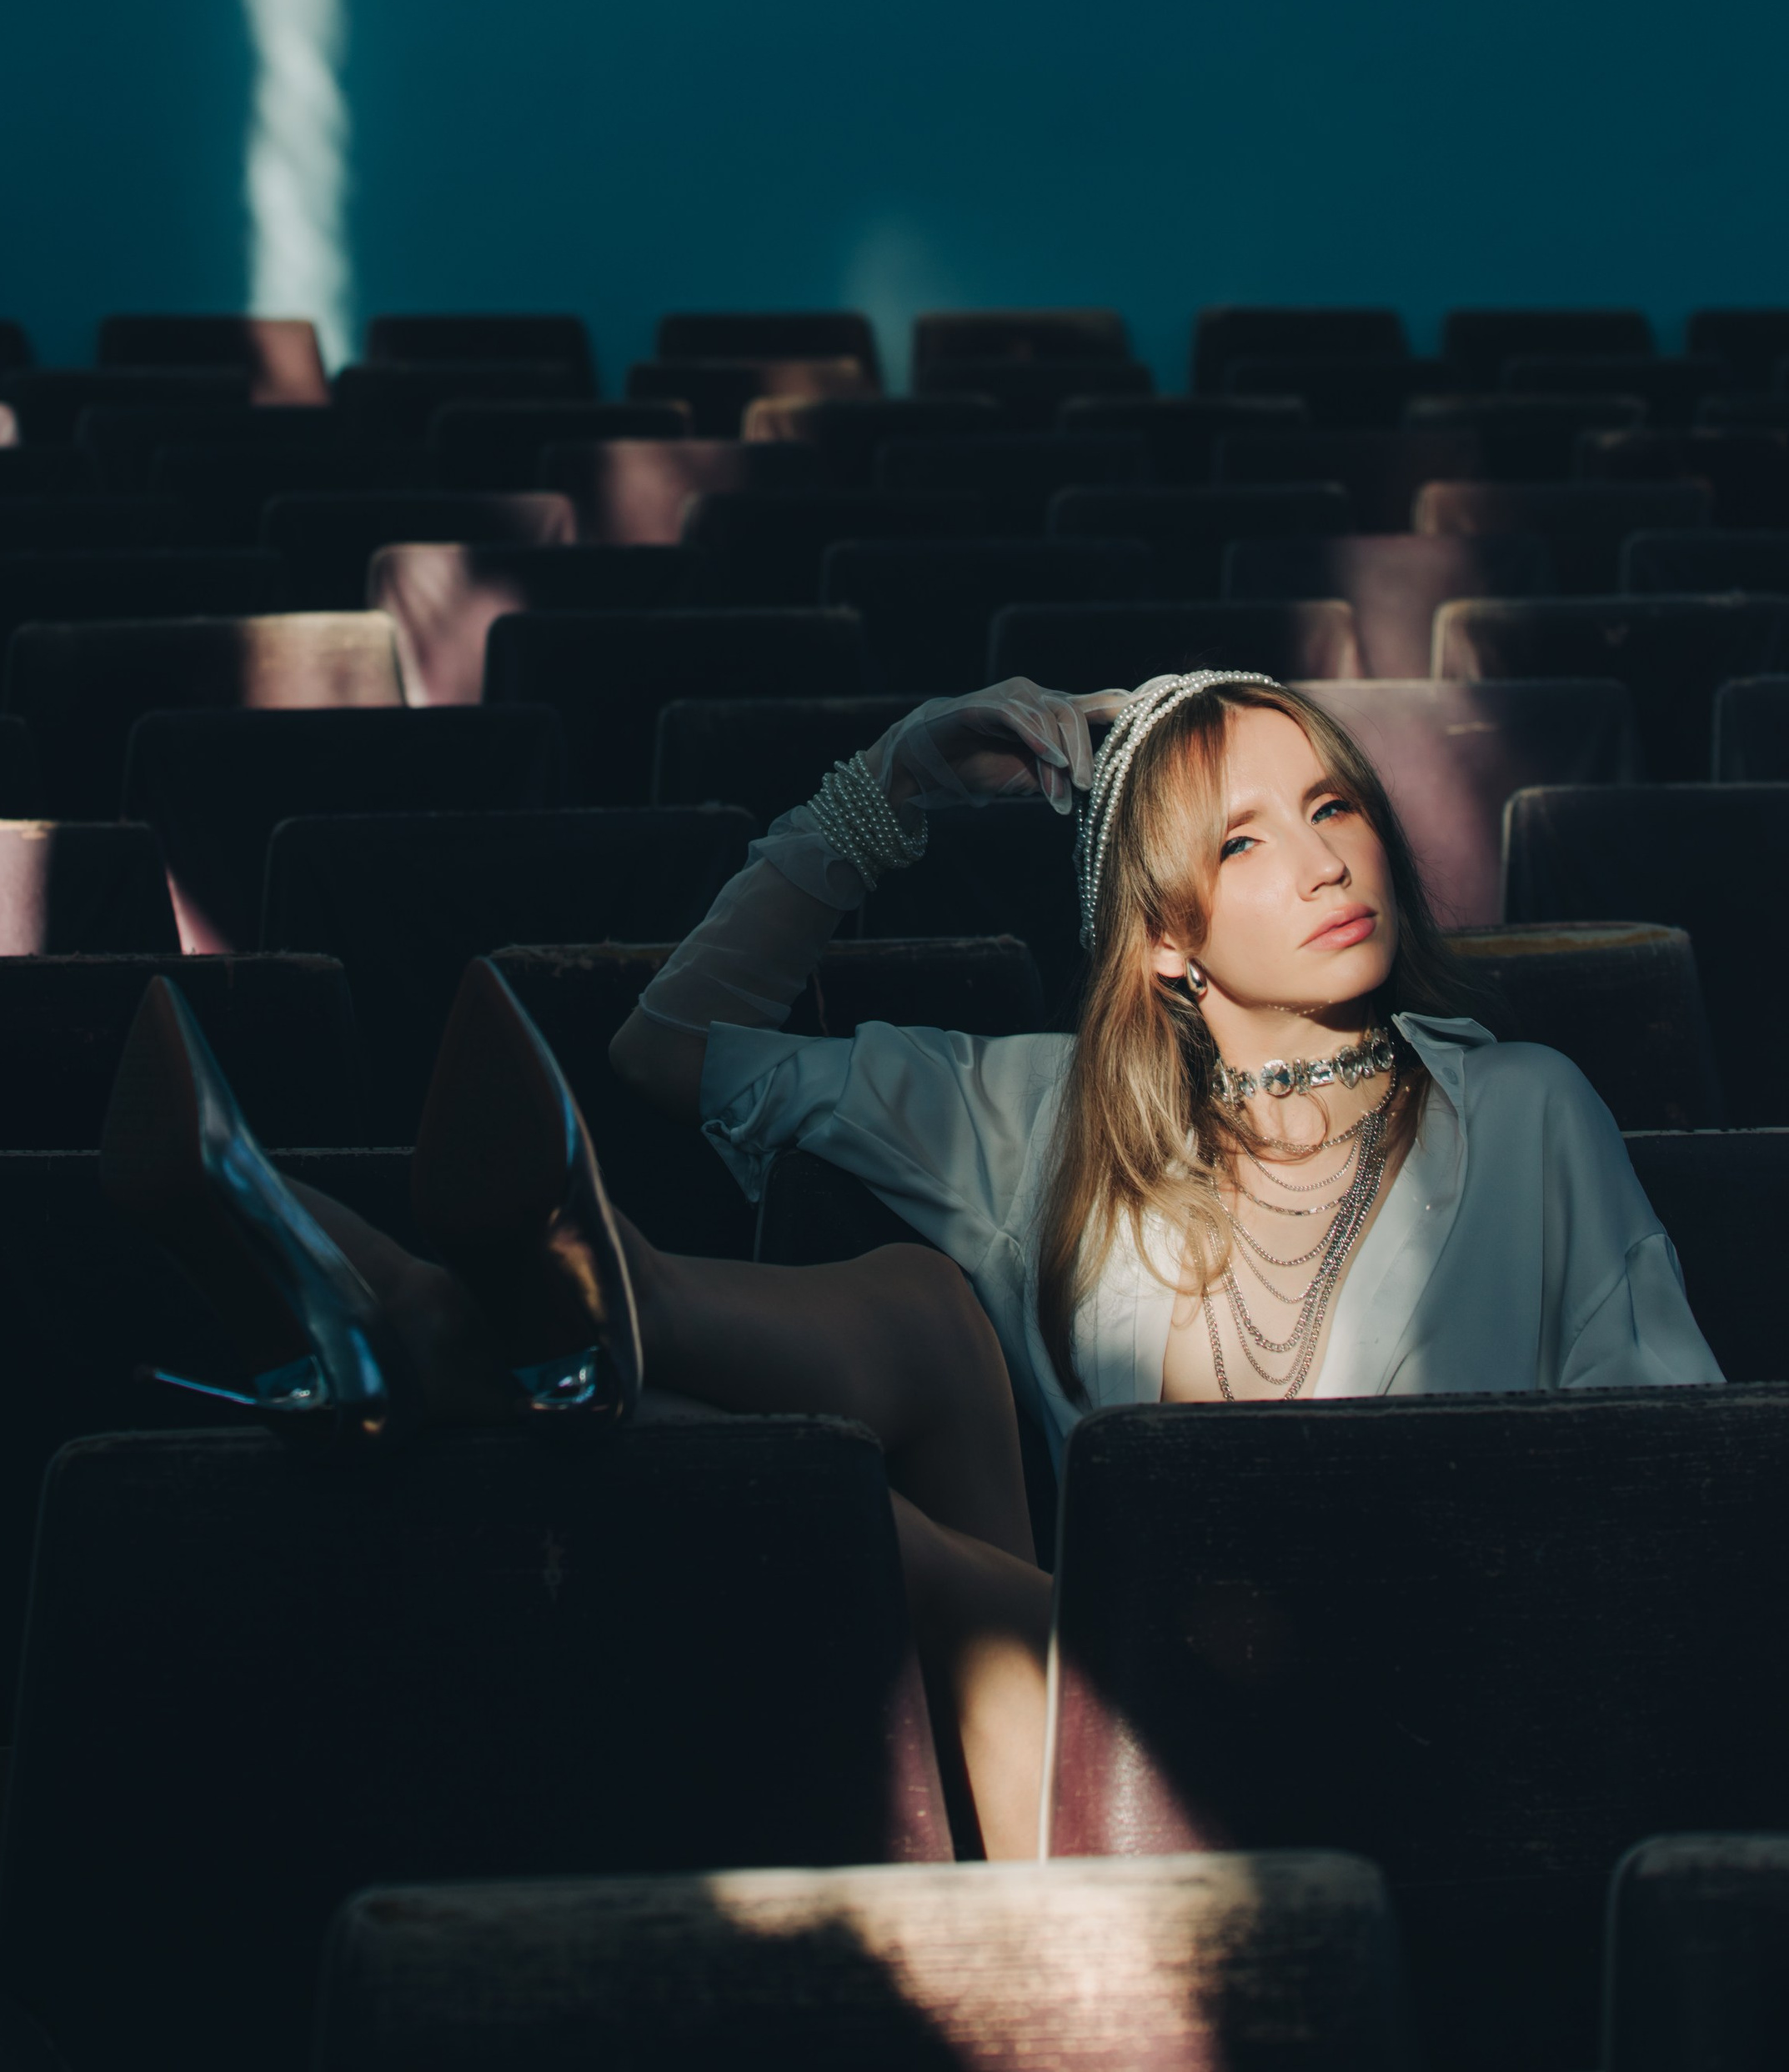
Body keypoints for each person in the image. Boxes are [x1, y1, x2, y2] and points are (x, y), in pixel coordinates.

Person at [102, 668, 1720, 1862]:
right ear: (1157, 934)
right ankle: (568, 1309)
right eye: (1239, 842)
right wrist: (887, 788)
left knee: (864, 1535)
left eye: (1332, 807)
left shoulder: (1520, 1110)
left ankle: (428, 1329)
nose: (1318, 861)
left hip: (1396, 1744)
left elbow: (1675, 1480)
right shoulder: (1041, 1112)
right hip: (1104, 1758)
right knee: (924, 1312)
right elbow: (674, 1048)